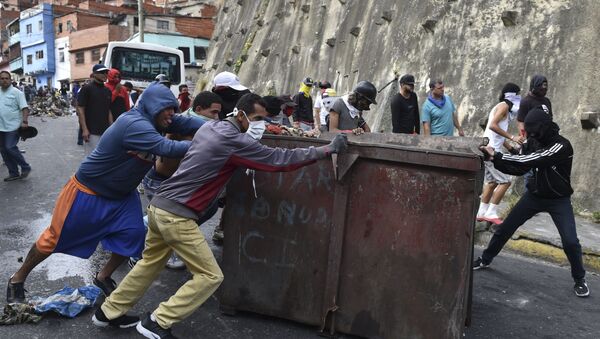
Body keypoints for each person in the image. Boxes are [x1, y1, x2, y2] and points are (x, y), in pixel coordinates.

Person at [92, 93, 348, 338]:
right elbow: (280, 159)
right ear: (240, 115)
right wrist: (326, 150)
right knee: (210, 276)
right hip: (176, 215)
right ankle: (158, 321)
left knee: (148, 264)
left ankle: (108, 312)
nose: (260, 125)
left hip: (159, 206)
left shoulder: (210, 128)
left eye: (263, 120)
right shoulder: (236, 141)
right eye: (256, 119)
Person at [6, 83, 204, 306]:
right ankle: (17, 279)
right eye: (168, 108)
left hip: (123, 196)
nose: (172, 114)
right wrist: (211, 142)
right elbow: (168, 148)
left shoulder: (160, 118)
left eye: (174, 109)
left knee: (134, 237)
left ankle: (103, 276)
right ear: (153, 106)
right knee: (53, 239)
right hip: (88, 192)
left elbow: (189, 122)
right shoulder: (134, 124)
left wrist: (220, 127)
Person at [475, 108, 589, 298]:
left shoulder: (562, 146)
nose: (531, 135)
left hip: (558, 200)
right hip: (534, 196)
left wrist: (497, 155)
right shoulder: (533, 142)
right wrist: (493, 159)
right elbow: (520, 167)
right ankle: (485, 259)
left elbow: (533, 159)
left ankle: (580, 279)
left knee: (570, 242)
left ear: (544, 128)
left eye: (534, 131)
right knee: (504, 229)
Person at [132, 91, 224, 270]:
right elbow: (166, 151)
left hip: (175, 184)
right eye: (213, 112)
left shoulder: (201, 125)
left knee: (208, 206)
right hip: (161, 182)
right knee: (170, 217)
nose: (217, 117)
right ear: (198, 109)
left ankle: (158, 243)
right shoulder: (181, 124)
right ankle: (134, 240)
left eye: (218, 113)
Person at [477, 83, 525, 223]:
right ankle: (491, 213)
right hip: (491, 151)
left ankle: (481, 213)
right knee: (505, 181)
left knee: (492, 183)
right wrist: (513, 137)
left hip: (488, 148)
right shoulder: (504, 106)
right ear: (512, 95)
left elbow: (497, 134)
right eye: (517, 94)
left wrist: (510, 148)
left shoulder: (504, 108)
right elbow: (492, 126)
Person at [0, 71, 31, 181]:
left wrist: (25, 121)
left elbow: (25, 108)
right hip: (1, 127)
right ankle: (13, 173)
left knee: (10, 147)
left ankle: (25, 167)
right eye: (2, 78)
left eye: (6, 78)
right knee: (3, 150)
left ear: (10, 80)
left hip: (13, 127)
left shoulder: (17, 93)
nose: (4, 80)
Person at [77, 64, 113, 155]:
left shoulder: (107, 91)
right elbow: (80, 109)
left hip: (105, 131)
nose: (105, 74)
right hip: (91, 131)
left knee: (103, 157)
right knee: (91, 158)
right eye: (102, 72)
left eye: (106, 72)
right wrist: (84, 129)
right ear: (94, 74)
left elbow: (108, 110)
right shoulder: (87, 88)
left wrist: (112, 127)